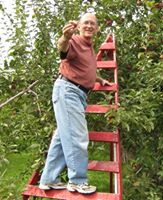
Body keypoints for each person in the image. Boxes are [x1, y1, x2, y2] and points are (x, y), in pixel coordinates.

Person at [39, 13, 111, 194]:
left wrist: (99, 79)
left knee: (62, 138)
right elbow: (63, 49)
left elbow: (85, 69)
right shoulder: (75, 41)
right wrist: (65, 36)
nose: (89, 26)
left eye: (93, 24)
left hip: (76, 93)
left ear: (97, 28)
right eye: (86, 23)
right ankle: (77, 181)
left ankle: (48, 179)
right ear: (78, 26)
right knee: (77, 137)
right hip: (68, 91)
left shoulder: (88, 46)